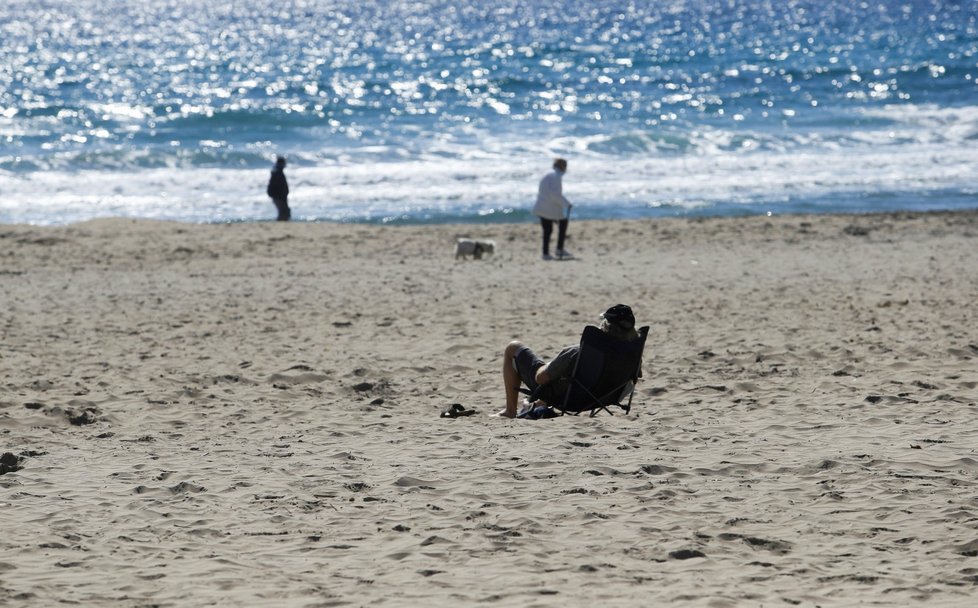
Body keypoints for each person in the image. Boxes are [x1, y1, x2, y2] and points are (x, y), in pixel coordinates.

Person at [498, 304, 641, 418]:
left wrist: (549, 366)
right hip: (604, 397)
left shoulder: (579, 352)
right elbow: (636, 377)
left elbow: (540, 379)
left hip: (571, 399)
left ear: (605, 325)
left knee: (513, 347)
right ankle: (536, 405)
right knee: (568, 376)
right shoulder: (633, 356)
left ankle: (510, 411)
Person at [532, 158, 572, 260]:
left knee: (547, 230)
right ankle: (559, 248)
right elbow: (555, 194)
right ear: (562, 166)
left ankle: (546, 253)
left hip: (542, 206)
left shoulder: (548, 174)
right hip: (550, 207)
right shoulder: (556, 176)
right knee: (563, 224)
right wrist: (567, 204)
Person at [267, 156, 290, 221]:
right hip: (279, 196)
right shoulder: (277, 172)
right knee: (283, 212)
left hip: (279, 196)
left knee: (284, 212)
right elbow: (277, 186)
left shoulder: (277, 171)